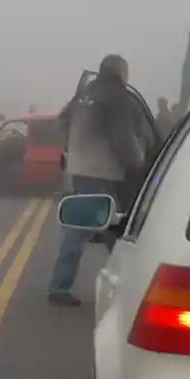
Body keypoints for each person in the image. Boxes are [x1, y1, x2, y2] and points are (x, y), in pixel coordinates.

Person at [48, 54, 143, 307]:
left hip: (80, 168)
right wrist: (139, 164)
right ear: (120, 72)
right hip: (103, 172)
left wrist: (72, 147)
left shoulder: (85, 93)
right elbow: (122, 138)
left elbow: (62, 120)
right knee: (89, 229)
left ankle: (128, 286)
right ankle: (59, 287)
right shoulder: (116, 97)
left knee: (110, 227)